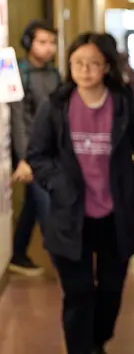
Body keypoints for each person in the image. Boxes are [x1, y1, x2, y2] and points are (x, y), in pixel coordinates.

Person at [27, 33, 134, 354]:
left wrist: (133, 192)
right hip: (70, 215)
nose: (85, 70)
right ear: (69, 65)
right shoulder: (57, 105)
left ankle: (97, 342)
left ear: (106, 67)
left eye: (93, 64)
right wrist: (58, 184)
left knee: (112, 289)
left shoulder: (124, 106)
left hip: (116, 216)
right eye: (78, 63)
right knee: (77, 291)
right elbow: (37, 155)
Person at [7, 20, 59, 276]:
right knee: (47, 205)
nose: (49, 48)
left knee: (32, 205)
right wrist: (24, 159)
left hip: (51, 151)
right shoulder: (19, 73)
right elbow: (18, 119)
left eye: (52, 42)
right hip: (31, 153)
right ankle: (66, 263)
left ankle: (17, 253)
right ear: (28, 43)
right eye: (42, 42)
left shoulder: (54, 73)